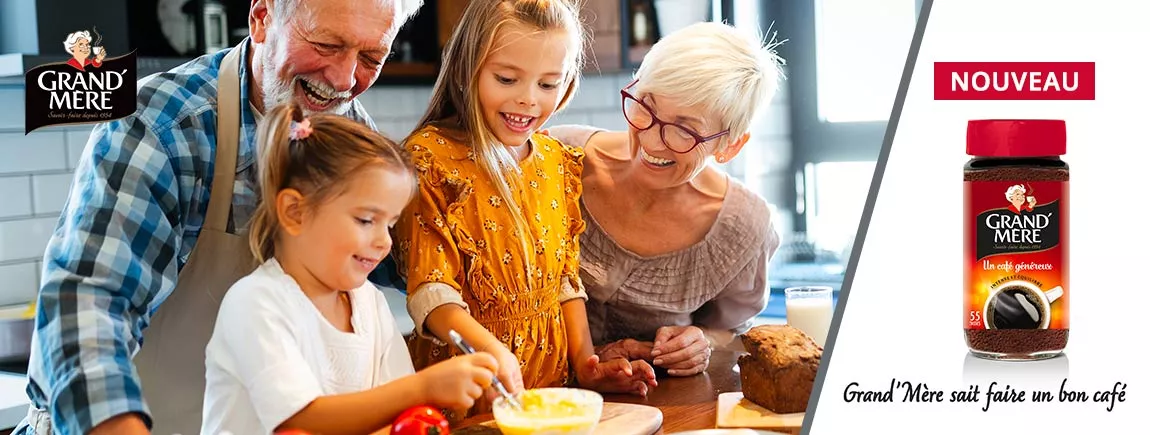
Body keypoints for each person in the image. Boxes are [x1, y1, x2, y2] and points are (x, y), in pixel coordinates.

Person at [16, 1, 423, 434]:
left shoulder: (350, 137)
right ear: (262, 18)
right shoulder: (164, 124)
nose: (344, 79)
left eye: (371, 58)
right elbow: (87, 309)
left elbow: (416, 265)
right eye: (326, 44)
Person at [390, 0, 657, 422]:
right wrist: (493, 351)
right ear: (467, 67)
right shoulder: (430, 158)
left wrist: (586, 363)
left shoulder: (557, 161)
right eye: (507, 78)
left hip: (549, 396)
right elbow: (432, 294)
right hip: (466, 400)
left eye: (548, 84)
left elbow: (564, 282)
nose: (528, 100)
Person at [201, 102, 497, 435]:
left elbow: (395, 417)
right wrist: (425, 387)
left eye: (391, 224)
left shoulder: (368, 302)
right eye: (366, 220)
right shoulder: (255, 303)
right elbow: (299, 421)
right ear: (295, 212)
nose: (385, 242)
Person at [544, 21, 785, 377]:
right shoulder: (556, 158)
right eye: (646, 106)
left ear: (729, 145)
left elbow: (729, 330)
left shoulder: (744, 227)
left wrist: (699, 341)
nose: (653, 142)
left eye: (684, 129)